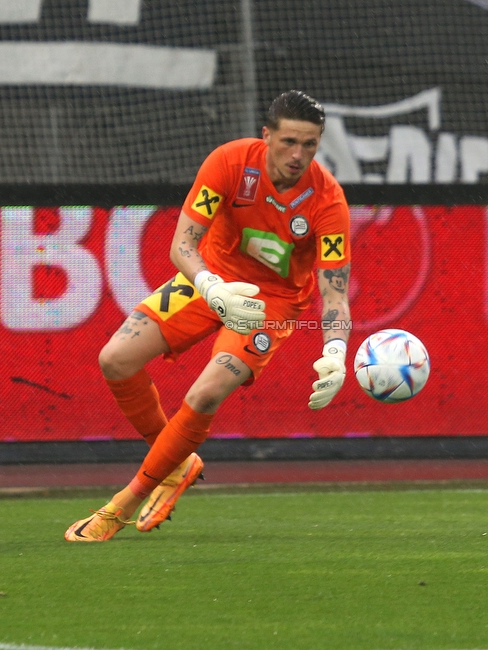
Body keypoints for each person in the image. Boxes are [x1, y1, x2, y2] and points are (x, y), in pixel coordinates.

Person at [65, 90, 352, 542]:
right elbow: (182, 244)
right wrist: (211, 287)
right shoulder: (230, 163)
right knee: (115, 358)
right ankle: (177, 464)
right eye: (289, 142)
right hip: (212, 279)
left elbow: (335, 297)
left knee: (205, 394)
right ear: (266, 136)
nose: (298, 155)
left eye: (310, 145)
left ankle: (121, 505)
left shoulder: (328, 202)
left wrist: (336, 352)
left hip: (270, 305)